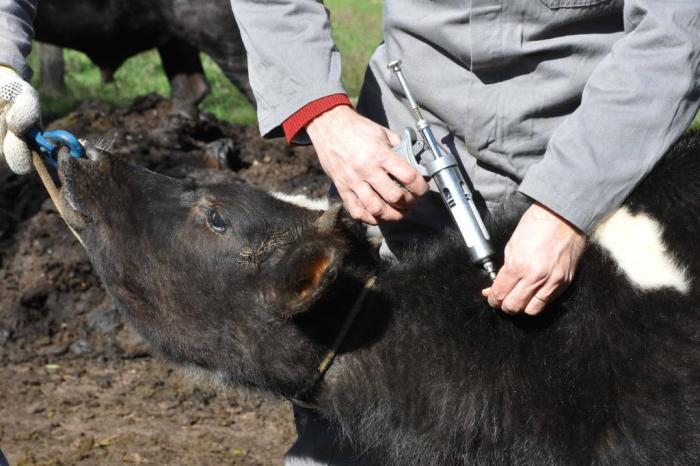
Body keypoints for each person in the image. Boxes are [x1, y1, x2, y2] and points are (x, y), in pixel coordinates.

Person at [227, 0, 700, 464]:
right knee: (346, 438)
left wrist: (569, 205)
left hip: (587, 167)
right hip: (394, 170)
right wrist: (325, 117)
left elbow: (677, 27)